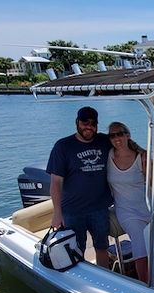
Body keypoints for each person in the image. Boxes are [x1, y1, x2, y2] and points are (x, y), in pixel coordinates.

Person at [46, 106, 112, 268]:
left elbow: (126, 145)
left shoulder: (104, 141)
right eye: (84, 122)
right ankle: (81, 283)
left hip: (100, 209)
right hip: (72, 211)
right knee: (76, 249)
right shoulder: (63, 146)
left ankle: (104, 278)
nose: (88, 126)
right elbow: (55, 183)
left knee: (102, 248)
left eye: (92, 123)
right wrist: (57, 213)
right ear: (77, 123)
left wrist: (143, 154)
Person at [107, 121, 150, 282]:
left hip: (148, 207)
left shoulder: (142, 157)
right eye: (112, 135)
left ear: (127, 135)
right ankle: (146, 284)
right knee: (140, 247)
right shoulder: (108, 156)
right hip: (127, 212)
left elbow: (153, 184)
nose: (116, 138)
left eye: (120, 133)